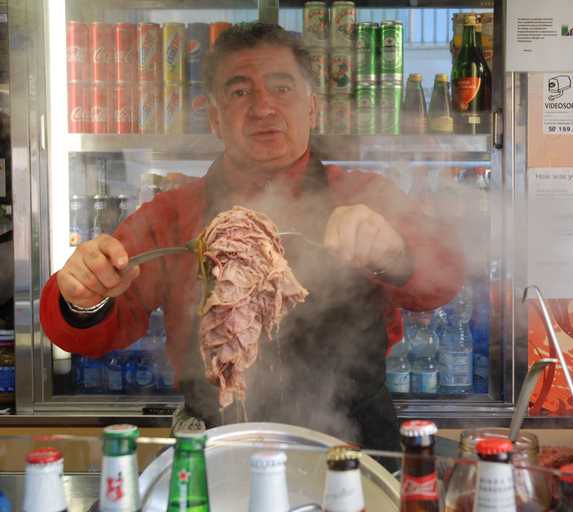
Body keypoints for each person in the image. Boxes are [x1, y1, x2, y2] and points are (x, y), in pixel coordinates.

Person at [39, 22, 465, 452]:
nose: (263, 108)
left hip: (354, 436)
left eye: (282, 88)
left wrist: (393, 251)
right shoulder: (171, 215)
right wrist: (83, 293)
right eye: (240, 92)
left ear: (312, 108)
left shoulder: (364, 196)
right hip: (218, 438)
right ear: (215, 119)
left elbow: (445, 276)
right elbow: (87, 330)